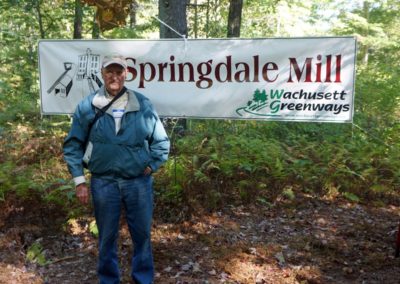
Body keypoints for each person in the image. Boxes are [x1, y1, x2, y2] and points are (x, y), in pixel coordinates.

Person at [63, 54, 170, 284]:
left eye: (119, 72)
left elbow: (160, 141)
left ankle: (142, 279)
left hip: (138, 183)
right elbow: (73, 145)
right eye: (109, 72)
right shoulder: (88, 106)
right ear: (102, 74)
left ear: (126, 74)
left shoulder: (142, 104)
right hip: (104, 183)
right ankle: (108, 280)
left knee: (141, 236)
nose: (114, 77)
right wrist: (79, 180)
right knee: (107, 237)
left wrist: (152, 165)